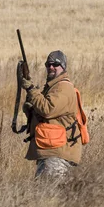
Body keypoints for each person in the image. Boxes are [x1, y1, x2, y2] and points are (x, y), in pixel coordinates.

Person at [18, 50, 83, 179]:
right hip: (52, 150)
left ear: (63, 67)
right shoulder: (52, 87)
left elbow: (48, 109)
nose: (51, 67)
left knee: (48, 193)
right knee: (50, 195)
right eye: (48, 64)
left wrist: (31, 90)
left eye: (55, 64)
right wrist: (31, 107)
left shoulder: (63, 87)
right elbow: (43, 113)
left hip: (57, 153)